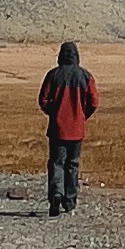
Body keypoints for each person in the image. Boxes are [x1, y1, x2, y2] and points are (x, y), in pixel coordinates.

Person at [38, 38, 97, 216]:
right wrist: (82, 115)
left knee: (57, 163)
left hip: (57, 128)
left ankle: (57, 193)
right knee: (73, 164)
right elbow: (94, 102)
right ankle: (70, 202)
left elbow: (43, 100)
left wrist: (54, 112)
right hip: (77, 129)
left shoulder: (53, 75)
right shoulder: (86, 76)